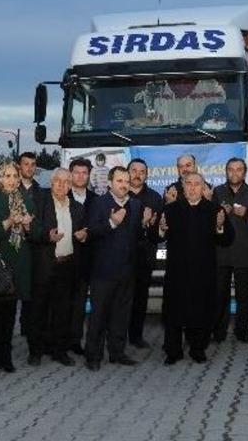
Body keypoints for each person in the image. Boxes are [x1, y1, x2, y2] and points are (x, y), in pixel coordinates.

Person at [152, 173, 233, 364]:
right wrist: (161, 229)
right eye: (189, 184)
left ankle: (198, 349)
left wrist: (220, 227)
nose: (193, 187)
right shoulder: (170, 209)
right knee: (174, 312)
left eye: (197, 184)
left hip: (203, 272)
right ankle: (173, 351)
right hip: (177, 272)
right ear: (183, 186)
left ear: (203, 187)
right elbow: (154, 237)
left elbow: (228, 239)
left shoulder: (215, 210)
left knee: (201, 312)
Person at [0, 162, 40, 374]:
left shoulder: (24, 199)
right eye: (7, 176)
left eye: (15, 175)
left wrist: (29, 225)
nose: (12, 180)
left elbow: (36, 232)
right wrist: (9, 222)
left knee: (10, 317)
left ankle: (6, 358)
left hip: (18, 266)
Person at [84, 166, 144, 371]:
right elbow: (91, 231)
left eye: (126, 181)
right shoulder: (98, 203)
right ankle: (93, 356)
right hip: (103, 272)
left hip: (127, 271)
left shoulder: (136, 205)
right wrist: (111, 223)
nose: (124, 184)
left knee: (121, 315)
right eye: (119, 181)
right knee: (99, 315)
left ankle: (117, 353)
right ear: (110, 183)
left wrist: (150, 226)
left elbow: (136, 238)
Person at [29, 168, 88, 366]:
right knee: (39, 311)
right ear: (51, 182)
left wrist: (83, 236)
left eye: (66, 182)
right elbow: (32, 230)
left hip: (67, 265)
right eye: (58, 181)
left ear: (71, 185)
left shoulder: (77, 207)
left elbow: (82, 233)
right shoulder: (39, 202)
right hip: (45, 265)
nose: (62, 185)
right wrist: (47, 236)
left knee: (63, 312)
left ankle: (59, 351)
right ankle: (35, 352)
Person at [212, 158, 248, 343]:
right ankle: (219, 332)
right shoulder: (217, 192)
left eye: (239, 170)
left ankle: (242, 331)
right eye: (231, 169)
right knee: (219, 295)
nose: (235, 173)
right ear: (226, 171)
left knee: (243, 296)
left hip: (245, 252)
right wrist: (219, 215)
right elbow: (210, 218)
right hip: (221, 252)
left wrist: (247, 213)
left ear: (244, 173)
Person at [127, 158, 164, 349]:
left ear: (146, 175)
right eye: (134, 170)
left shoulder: (155, 198)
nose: (137, 174)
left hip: (145, 256)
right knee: (120, 298)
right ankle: (116, 334)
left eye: (142, 171)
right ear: (128, 172)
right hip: (121, 257)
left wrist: (151, 225)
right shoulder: (118, 194)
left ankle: (136, 336)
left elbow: (158, 235)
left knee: (140, 298)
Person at [67, 158, 98, 354]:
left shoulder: (97, 200)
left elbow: (100, 226)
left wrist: (89, 233)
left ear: (89, 175)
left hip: (87, 261)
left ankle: (75, 341)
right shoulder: (61, 196)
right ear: (70, 174)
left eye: (84, 173)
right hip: (63, 259)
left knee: (79, 304)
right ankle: (58, 340)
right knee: (61, 303)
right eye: (77, 172)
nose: (80, 176)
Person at [18, 152, 43, 336]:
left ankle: (26, 328)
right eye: (26, 164)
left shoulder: (40, 192)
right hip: (10, 246)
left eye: (33, 164)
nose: (29, 167)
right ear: (19, 166)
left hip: (33, 247)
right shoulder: (10, 188)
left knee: (30, 290)